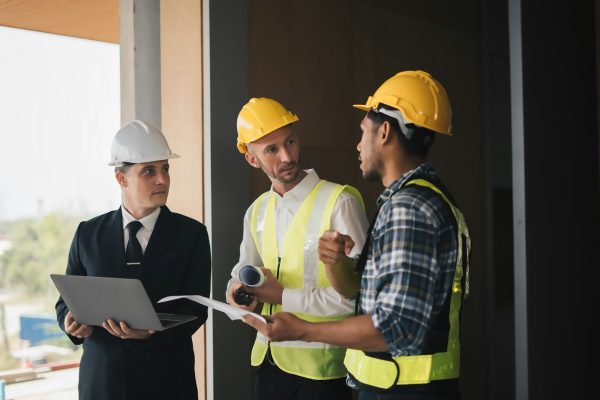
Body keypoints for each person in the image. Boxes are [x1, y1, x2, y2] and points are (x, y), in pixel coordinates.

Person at [243, 71, 471, 400]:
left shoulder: (409, 209)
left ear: (385, 132)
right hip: (395, 386)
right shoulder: (419, 201)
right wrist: (335, 264)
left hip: (403, 390)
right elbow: (365, 297)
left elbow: (395, 327)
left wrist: (303, 330)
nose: (358, 143)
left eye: (363, 132)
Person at [55, 120, 211, 400]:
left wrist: (152, 334)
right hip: (102, 383)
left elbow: (197, 310)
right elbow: (65, 301)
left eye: (165, 169)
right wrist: (71, 324)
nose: (162, 179)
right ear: (121, 179)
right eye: (149, 171)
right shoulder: (87, 234)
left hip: (166, 382)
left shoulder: (192, 235)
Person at [226, 97, 369, 400]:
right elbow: (242, 271)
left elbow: (359, 301)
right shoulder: (256, 212)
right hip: (269, 366)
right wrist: (237, 293)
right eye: (272, 150)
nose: (287, 156)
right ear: (253, 159)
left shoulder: (339, 201)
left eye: (290, 142)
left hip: (324, 372)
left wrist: (282, 296)